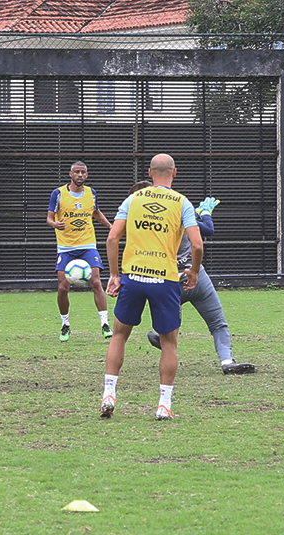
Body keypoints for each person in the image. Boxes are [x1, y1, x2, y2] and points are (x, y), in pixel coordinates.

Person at [101, 154, 203, 421]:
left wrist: (114, 274)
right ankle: (163, 405)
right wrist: (192, 271)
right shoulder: (182, 202)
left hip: (133, 277)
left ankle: (108, 394)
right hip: (165, 279)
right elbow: (198, 245)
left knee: (119, 335)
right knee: (169, 344)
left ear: (149, 172)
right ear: (174, 173)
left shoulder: (133, 199)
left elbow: (112, 237)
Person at [127, 180, 256, 375]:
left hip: (168, 282)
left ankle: (162, 341)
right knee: (217, 323)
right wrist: (203, 214)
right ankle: (227, 361)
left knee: (169, 329)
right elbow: (207, 231)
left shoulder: (141, 225)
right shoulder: (179, 210)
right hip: (195, 277)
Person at [47, 161, 113, 342]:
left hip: (87, 245)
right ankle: (65, 324)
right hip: (66, 247)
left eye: (83, 172)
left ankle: (105, 324)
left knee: (96, 282)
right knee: (62, 287)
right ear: (70, 174)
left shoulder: (91, 193)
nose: (80, 175)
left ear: (87, 175)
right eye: (77, 172)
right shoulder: (58, 194)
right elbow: (49, 218)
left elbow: (96, 213)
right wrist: (54, 224)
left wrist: (110, 226)